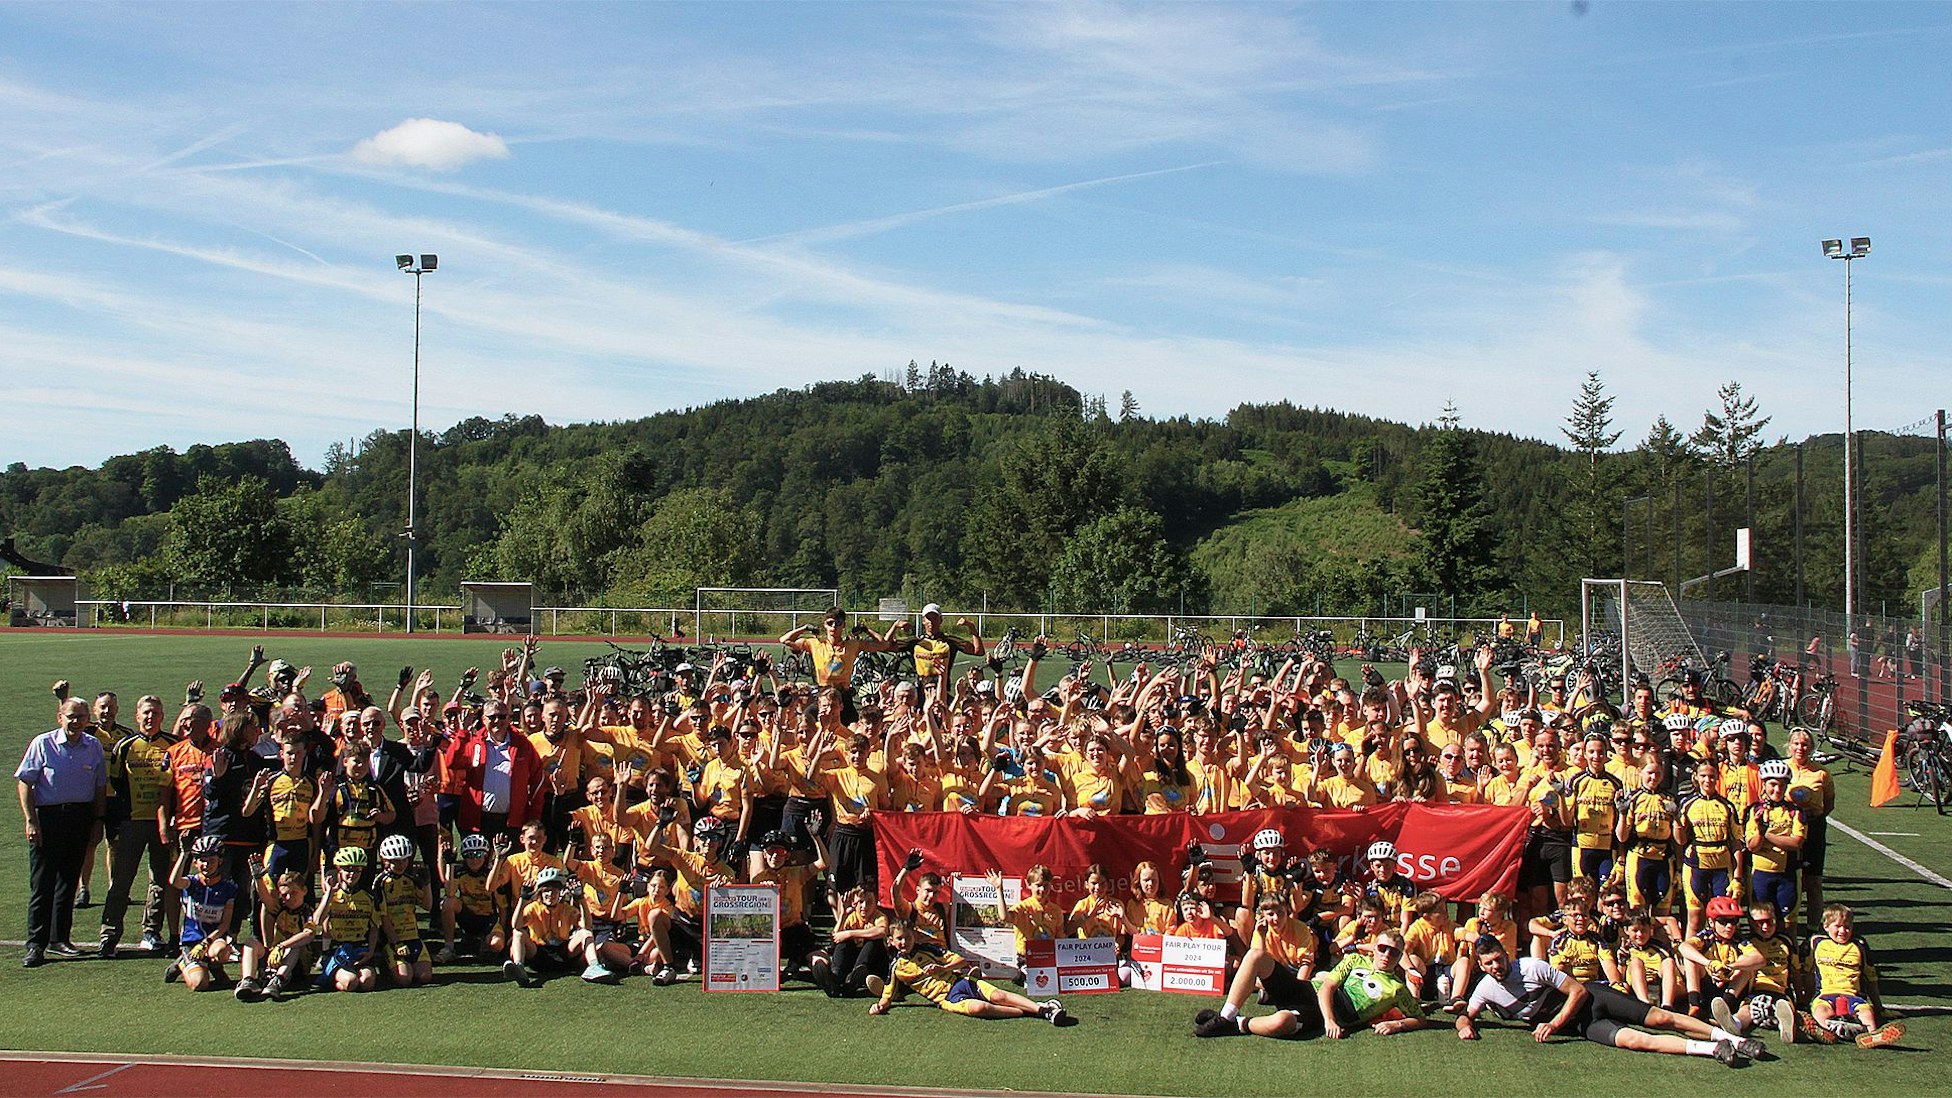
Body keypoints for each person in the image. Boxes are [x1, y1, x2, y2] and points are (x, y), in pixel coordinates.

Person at [1456, 935, 1755, 1064]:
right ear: (1481, 966)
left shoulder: (1532, 966)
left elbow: (1578, 991)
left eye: (1498, 959)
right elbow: (1465, 1014)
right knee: (1637, 1041)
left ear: (1506, 955)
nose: (1496, 967)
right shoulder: (1485, 989)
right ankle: (1714, 1049)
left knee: (1661, 1018)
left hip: (1594, 999)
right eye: (1489, 964)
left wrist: (1554, 1023)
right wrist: (1463, 1026)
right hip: (1583, 1026)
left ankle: (1738, 1041)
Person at [16, 698, 109, 967]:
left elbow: (99, 787)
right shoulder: (42, 744)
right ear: (60, 717)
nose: (75, 721)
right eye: (70, 716)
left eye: (80, 716)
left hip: (80, 817)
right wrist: (31, 820)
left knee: (68, 882)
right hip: (48, 818)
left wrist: (98, 820)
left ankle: (60, 939)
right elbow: (25, 782)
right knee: (42, 884)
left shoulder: (92, 747)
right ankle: (36, 944)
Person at [867, 917, 1068, 1024]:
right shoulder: (896, 967)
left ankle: (1042, 1008)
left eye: (908, 938)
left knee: (997, 995)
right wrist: (879, 1006)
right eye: (900, 939)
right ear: (891, 941)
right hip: (946, 999)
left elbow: (961, 960)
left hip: (959, 982)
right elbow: (887, 995)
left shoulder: (927, 950)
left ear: (914, 937)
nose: (904, 942)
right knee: (979, 1008)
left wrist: (942, 967)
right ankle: (1032, 1012)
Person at [99, 694, 178, 958]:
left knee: (160, 881)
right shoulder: (125, 746)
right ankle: (109, 935)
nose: (149, 717)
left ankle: (151, 932)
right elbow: (117, 785)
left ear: (162, 717)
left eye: (155, 713)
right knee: (121, 881)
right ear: (136, 716)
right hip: (133, 823)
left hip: (163, 825)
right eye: (145, 713)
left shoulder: (173, 745)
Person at [1805, 902, 1905, 1048]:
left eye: (1847, 927)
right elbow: (1806, 972)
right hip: (1826, 995)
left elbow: (1871, 978)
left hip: (1853, 996)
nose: (1843, 931)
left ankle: (1872, 1036)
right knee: (1821, 1011)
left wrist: (1878, 1007)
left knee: (1866, 1014)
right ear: (1826, 926)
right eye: (1838, 926)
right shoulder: (1816, 943)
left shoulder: (1859, 945)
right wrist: (1803, 1001)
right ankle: (1824, 1033)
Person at [163, 835, 236, 991]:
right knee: (200, 984)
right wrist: (184, 853)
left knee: (222, 952)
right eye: (202, 860)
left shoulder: (228, 888)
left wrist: (205, 943)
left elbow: (224, 925)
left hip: (212, 941)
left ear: (220, 861)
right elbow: (174, 881)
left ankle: (214, 966)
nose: (206, 864)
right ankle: (183, 963)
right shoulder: (192, 883)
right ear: (195, 862)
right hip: (191, 942)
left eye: (211, 860)